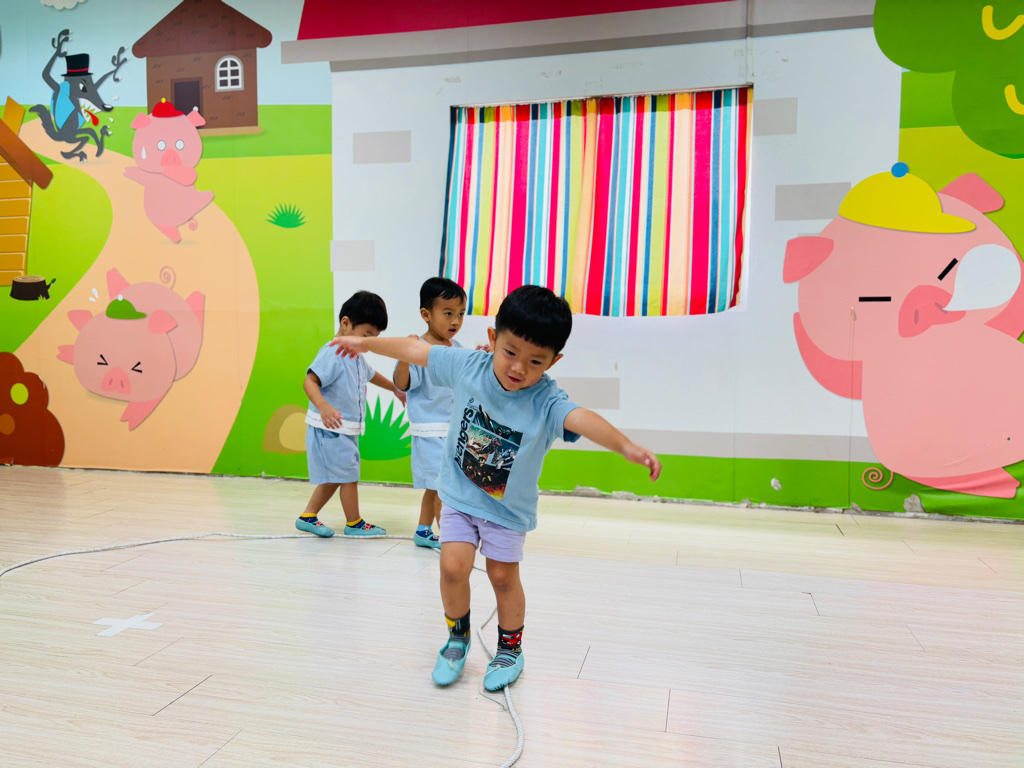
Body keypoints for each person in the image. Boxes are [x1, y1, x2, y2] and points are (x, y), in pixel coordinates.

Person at [331, 285, 661, 691]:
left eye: (535, 361)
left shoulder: (546, 400)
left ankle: (510, 648)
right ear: (492, 338)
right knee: (452, 567)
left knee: (503, 577)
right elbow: (416, 350)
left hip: (506, 512)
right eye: (510, 352)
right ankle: (457, 637)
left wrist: (625, 446)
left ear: (554, 361)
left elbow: (581, 418)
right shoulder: (469, 366)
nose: (519, 368)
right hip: (458, 496)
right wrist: (366, 344)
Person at [297, 290, 406, 538]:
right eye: (366, 336)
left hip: (344, 429)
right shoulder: (333, 352)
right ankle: (353, 522)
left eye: (374, 339)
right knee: (347, 476)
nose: (369, 343)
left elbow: (371, 375)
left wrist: (395, 389)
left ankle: (308, 516)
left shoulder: (355, 354)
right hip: (330, 429)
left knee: (340, 476)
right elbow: (309, 381)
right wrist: (323, 406)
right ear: (346, 323)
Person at [393, 277, 467, 550]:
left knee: (435, 487)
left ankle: (424, 531)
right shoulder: (418, 349)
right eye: (448, 313)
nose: (455, 321)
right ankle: (450, 540)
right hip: (430, 431)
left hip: (453, 430)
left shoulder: (457, 349)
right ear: (426, 314)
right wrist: (404, 354)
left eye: (461, 314)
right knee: (444, 488)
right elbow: (401, 384)